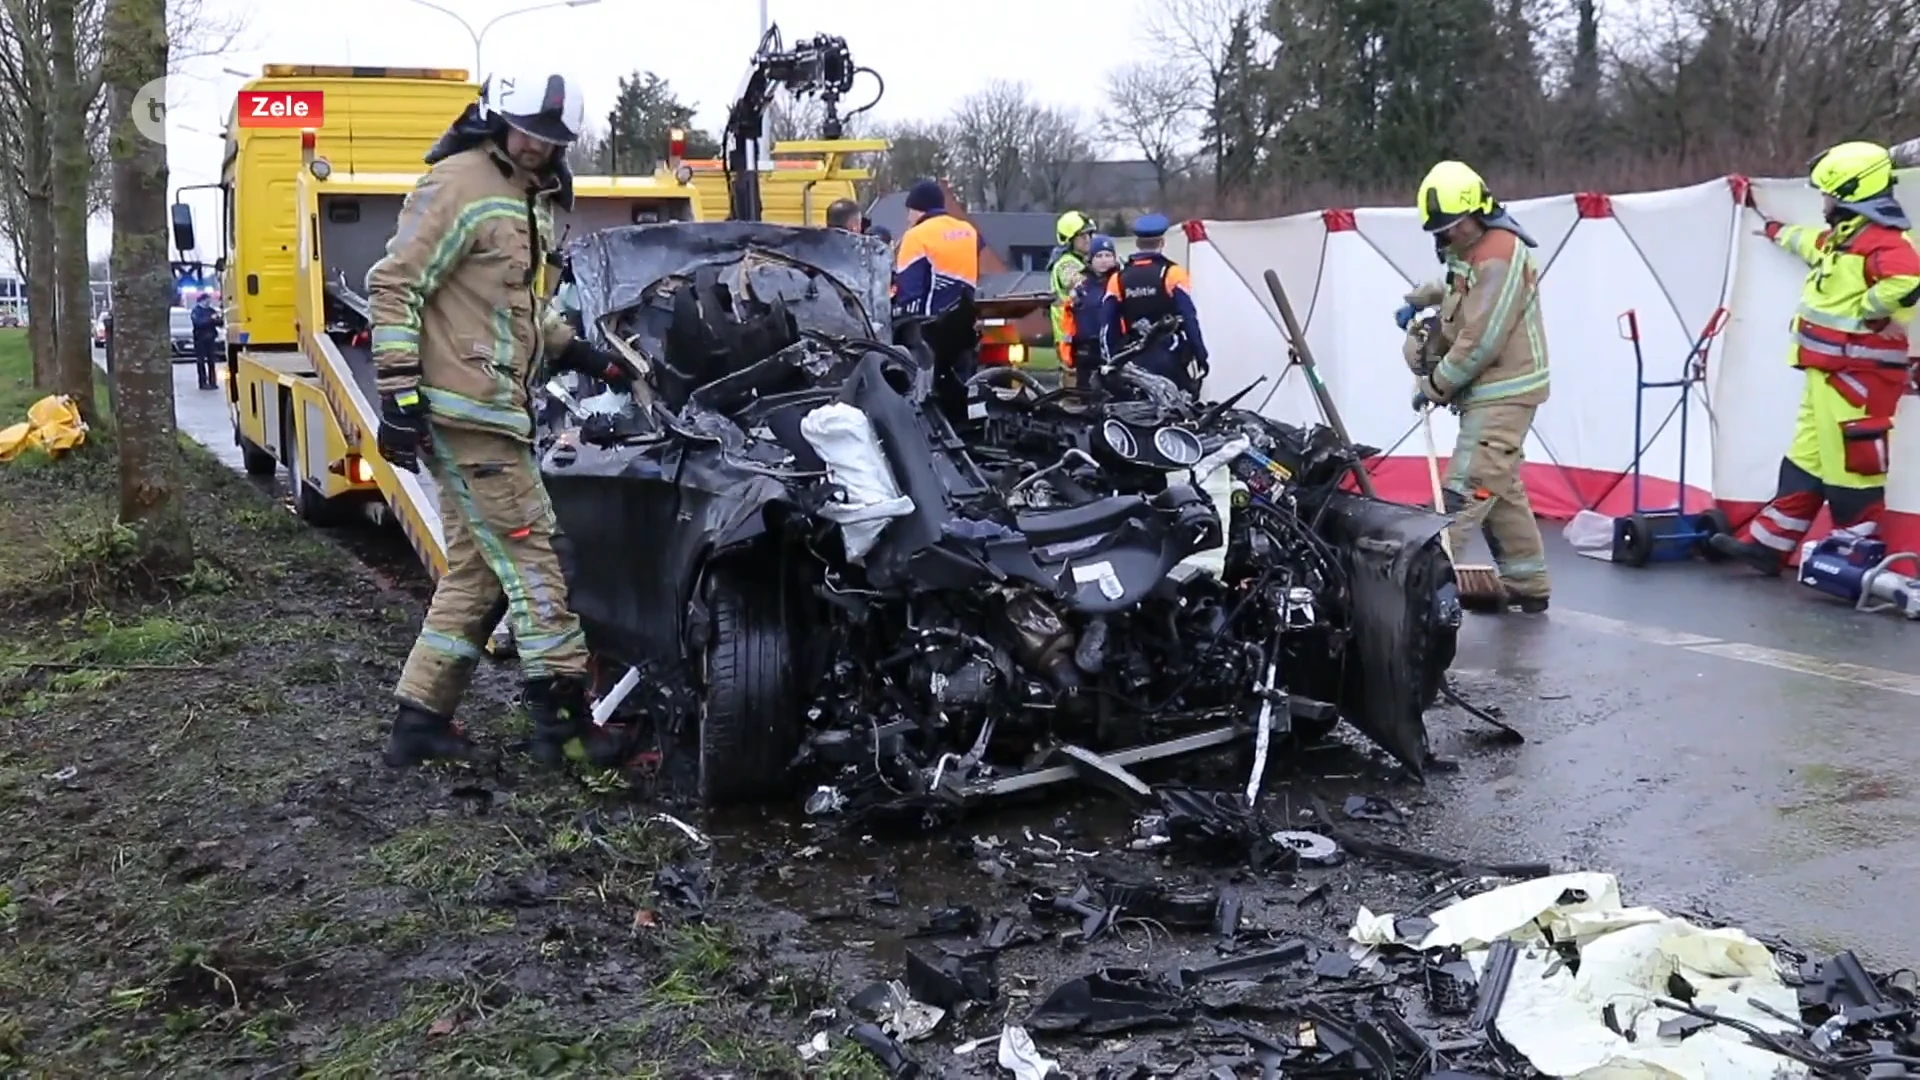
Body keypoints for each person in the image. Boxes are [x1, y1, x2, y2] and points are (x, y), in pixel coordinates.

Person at [366, 68, 640, 769]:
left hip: (491, 410)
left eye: (550, 139)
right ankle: (566, 729)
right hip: (469, 415)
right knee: (536, 557)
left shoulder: (525, 199)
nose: (535, 147)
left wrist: (582, 353)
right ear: (494, 119)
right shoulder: (458, 184)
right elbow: (395, 285)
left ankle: (419, 720)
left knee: (477, 573)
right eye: (525, 133)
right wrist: (398, 394)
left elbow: (513, 308)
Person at [1709, 142, 1920, 572]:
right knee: (1805, 463)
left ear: (1850, 192)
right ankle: (1768, 548)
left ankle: (1855, 561)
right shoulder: (1845, 240)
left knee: (1853, 469)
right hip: (1826, 374)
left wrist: (1869, 308)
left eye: (1827, 193)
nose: (1823, 202)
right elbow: (1808, 243)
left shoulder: (1882, 241)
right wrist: (1772, 229)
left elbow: (1908, 279)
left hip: (1858, 379)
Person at [1398, 160, 1552, 613]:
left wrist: (1434, 385)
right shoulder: (1475, 249)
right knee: (1499, 488)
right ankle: (1528, 584)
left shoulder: (1500, 255)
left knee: (1465, 492)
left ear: (1475, 212)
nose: (1443, 239)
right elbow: (1461, 297)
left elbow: (1480, 340)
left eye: (1449, 229)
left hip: (1505, 392)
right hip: (1493, 392)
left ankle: (1422, 591)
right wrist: (1425, 299)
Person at [1100, 213, 1208, 394]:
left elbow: (1106, 327)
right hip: (1170, 356)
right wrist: (1201, 354)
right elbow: (1189, 318)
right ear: (1162, 242)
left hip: (1133, 359)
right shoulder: (1173, 273)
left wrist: (1112, 362)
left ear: (1137, 243)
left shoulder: (1118, 279)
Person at [893, 179, 979, 318]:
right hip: (965, 322)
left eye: (909, 210)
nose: (908, 217)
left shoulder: (916, 235)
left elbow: (909, 292)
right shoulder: (968, 230)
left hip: (932, 327)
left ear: (919, 209)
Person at [1064, 234, 1120, 388]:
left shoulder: (1121, 283)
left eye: (1108, 255)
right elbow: (1069, 322)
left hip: (1115, 348)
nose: (1104, 260)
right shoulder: (1081, 288)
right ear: (1091, 259)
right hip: (1086, 350)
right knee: (1085, 394)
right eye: (1099, 256)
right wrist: (1069, 352)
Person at [1048, 211, 1096, 364]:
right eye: (1082, 236)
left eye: (1089, 235)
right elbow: (1084, 286)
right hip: (1070, 341)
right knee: (1074, 386)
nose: (1087, 240)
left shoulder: (1083, 261)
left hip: (1081, 336)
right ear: (1069, 240)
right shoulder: (1066, 264)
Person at [190, 293, 222, 390]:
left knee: (211, 361)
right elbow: (198, 323)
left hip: (210, 339)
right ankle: (202, 382)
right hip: (200, 340)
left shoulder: (211, 310)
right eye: (208, 300)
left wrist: (218, 319)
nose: (209, 302)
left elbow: (219, 323)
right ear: (202, 300)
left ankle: (213, 382)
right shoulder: (196, 311)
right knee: (201, 361)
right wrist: (210, 319)